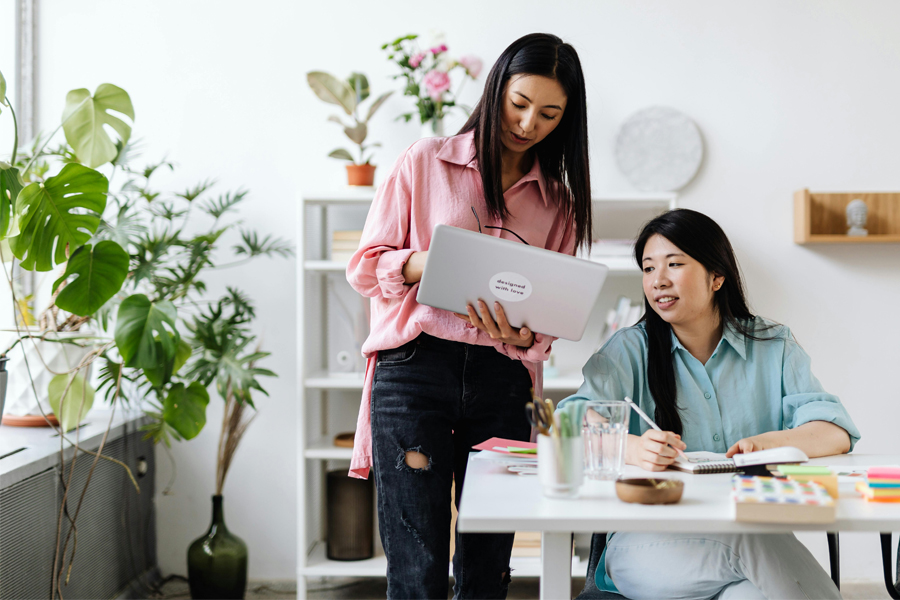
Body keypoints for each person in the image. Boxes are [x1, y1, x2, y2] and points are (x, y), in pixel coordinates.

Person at [345, 33, 592, 599]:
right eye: (519, 103)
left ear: (566, 120)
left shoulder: (560, 202)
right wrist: (424, 264)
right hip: (413, 371)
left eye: (549, 113)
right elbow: (364, 269)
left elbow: (550, 315)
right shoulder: (425, 160)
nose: (529, 123)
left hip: (502, 381)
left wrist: (526, 334)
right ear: (496, 89)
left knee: (487, 568)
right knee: (417, 563)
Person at [560, 209, 860, 600]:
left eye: (674, 264)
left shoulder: (772, 345)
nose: (658, 281)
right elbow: (567, 421)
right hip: (648, 547)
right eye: (648, 268)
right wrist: (632, 447)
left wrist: (770, 443)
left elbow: (834, 430)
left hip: (750, 541)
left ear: (717, 277)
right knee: (747, 542)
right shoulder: (630, 349)